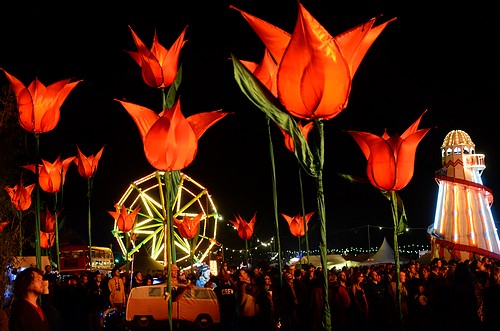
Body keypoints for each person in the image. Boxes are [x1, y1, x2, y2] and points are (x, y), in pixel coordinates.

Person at [9, 267, 51, 331]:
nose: (42, 282)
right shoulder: (20, 311)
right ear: (26, 284)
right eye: (38, 279)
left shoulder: (37, 306)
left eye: (42, 279)